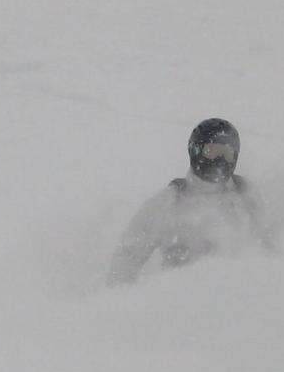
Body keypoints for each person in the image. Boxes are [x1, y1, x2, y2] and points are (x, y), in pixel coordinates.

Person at [106, 118, 275, 285]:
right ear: (195, 151)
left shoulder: (245, 194)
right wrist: (119, 303)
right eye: (212, 151)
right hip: (182, 306)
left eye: (227, 153)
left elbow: (268, 245)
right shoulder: (168, 202)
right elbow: (126, 258)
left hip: (241, 301)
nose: (220, 159)